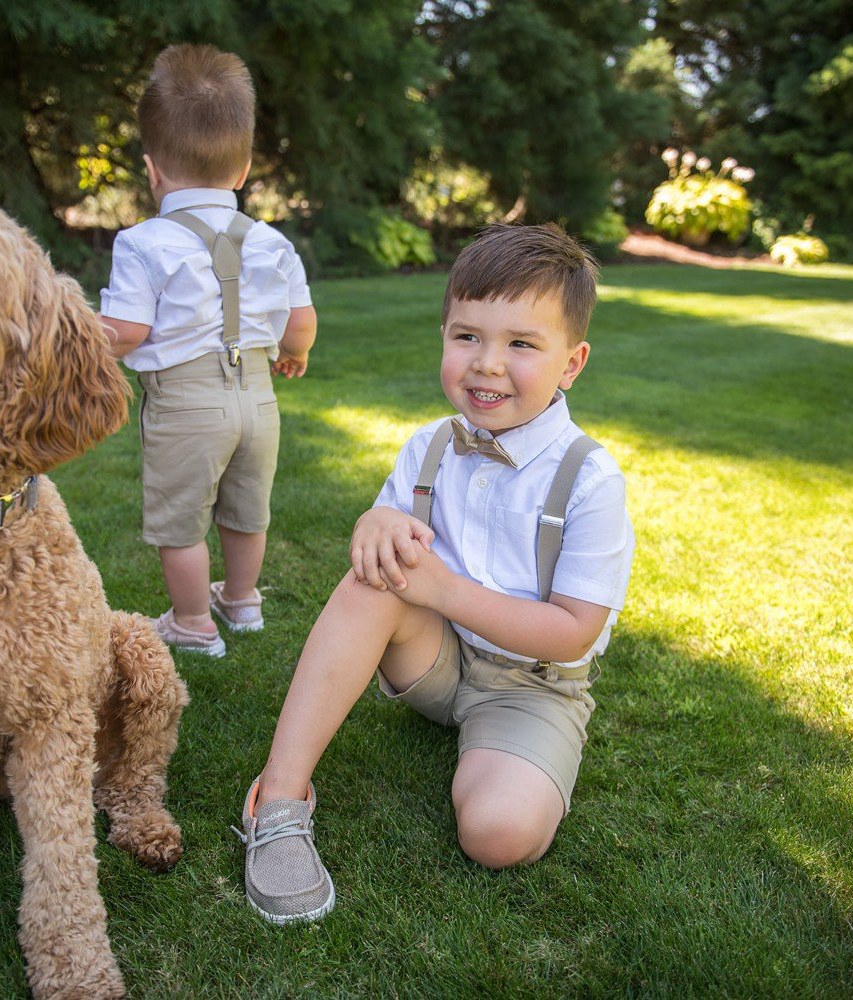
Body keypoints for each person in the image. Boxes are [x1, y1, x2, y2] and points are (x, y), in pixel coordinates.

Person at [234, 224, 633, 924]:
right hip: (433, 660)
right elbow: (383, 531)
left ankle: (505, 760)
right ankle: (280, 802)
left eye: (520, 344)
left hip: (531, 687)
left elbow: (572, 633)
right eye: (466, 336)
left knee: (499, 835)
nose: (486, 364)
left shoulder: (590, 480)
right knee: (375, 580)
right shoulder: (429, 445)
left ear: (572, 363)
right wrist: (373, 524)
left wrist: (445, 589)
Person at [101, 44, 317, 658]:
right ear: (244, 169)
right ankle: (242, 602)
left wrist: (78, 332)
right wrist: (294, 353)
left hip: (186, 405)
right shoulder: (273, 243)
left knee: (180, 520)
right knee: (248, 510)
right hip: (259, 397)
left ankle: (193, 622)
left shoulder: (144, 243)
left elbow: (128, 332)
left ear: (152, 170)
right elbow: (301, 320)